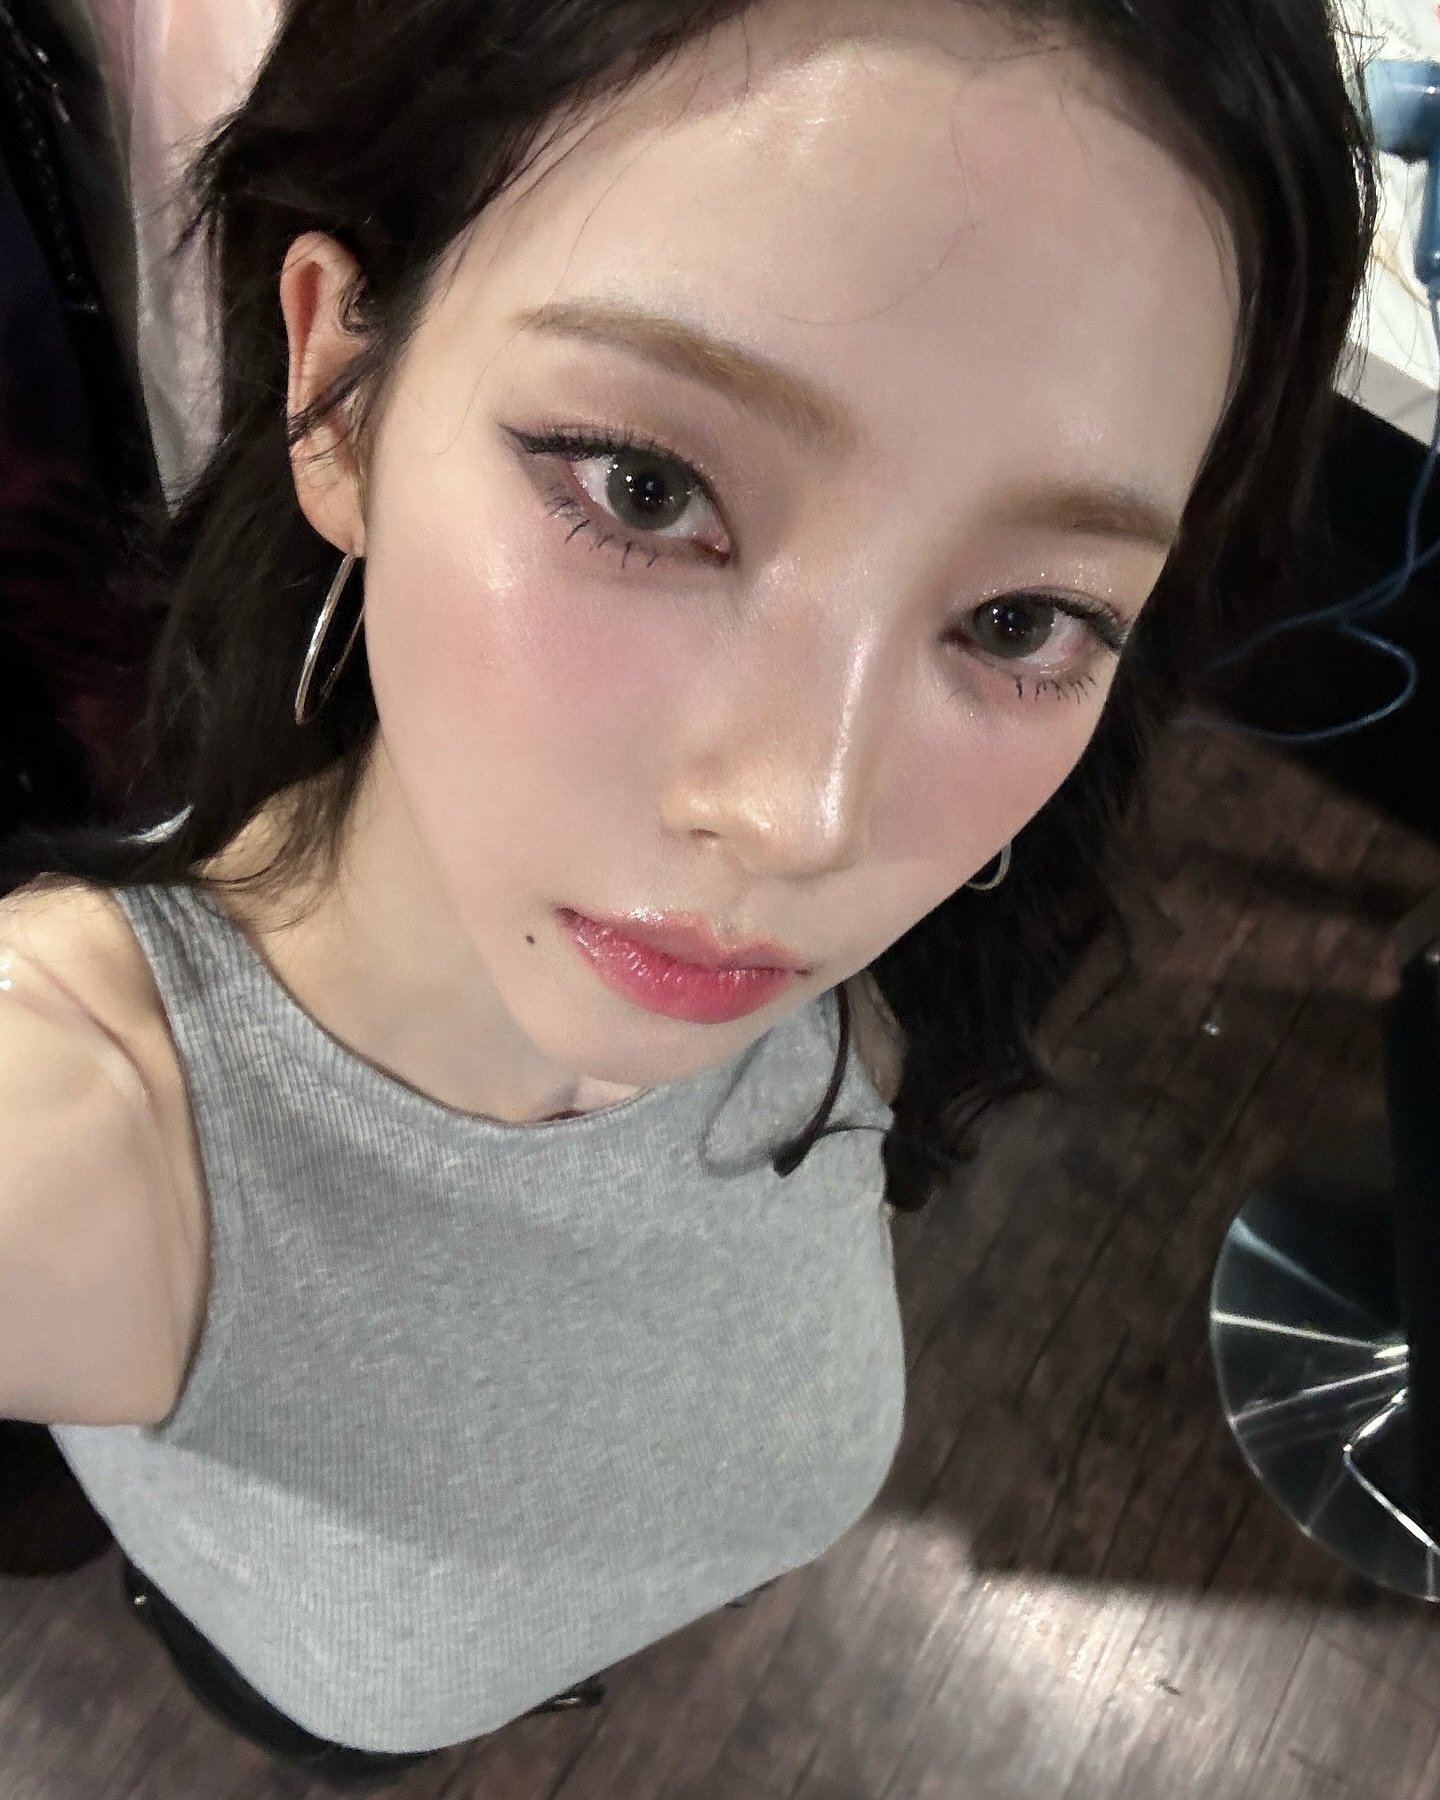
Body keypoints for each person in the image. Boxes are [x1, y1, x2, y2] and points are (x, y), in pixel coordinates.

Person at [0, 0, 1374, 1788]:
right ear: (339, 384)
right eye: (645, 491)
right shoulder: (71, 1129)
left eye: (1020, 616)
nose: (806, 820)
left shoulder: (894, 959)